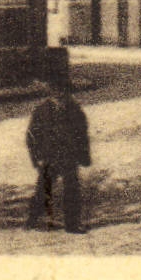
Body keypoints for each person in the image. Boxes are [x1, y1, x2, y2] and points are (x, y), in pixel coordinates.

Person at [25, 70, 91, 233]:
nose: (60, 94)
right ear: (51, 92)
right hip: (49, 157)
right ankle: (32, 219)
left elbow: (82, 134)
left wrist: (84, 156)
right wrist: (37, 157)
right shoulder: (42, 111)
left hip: (69, 156)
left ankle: (72, 224)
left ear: (68, 92)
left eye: (64, 91)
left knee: (72, 189)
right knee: (43, 189)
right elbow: (32, 136)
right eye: (56, 91)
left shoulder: (75, 110)